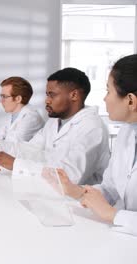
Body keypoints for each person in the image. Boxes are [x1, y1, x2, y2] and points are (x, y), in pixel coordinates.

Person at [0, 68, 110, 185]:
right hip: (48, 190)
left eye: (52, 95)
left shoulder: (92, 127)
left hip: (80, 203)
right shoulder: (54, 122)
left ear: (74, 95)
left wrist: (16, 165)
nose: (47, 100)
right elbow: (31, 149)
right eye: (46, 94)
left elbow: (70, 176)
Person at [58, 54, 137, 236]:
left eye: (108, 91)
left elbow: (111, 210)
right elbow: (111, 188)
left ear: (131, 101)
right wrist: (77, 191)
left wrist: (113, 215)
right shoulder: (127, 133)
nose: (104, 99)